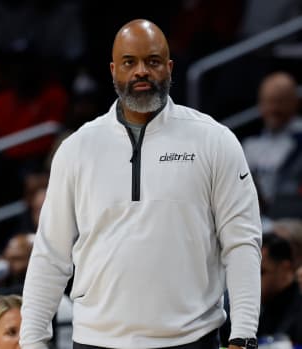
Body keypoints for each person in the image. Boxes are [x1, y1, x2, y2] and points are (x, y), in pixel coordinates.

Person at [20, 19, 262, 349]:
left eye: (152, 61)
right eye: (129, 62)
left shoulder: (214, 140)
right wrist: (32, 341)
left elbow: (242, 242)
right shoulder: (77, 149)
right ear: (113, 69)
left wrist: (244, 334)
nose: (141, 72)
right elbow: (50, 254)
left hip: (192, 339)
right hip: (96, 340)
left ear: (170, 67)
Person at [242, 72, 302, 216]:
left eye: (281, 101)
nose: (274, 108)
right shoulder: (250, 145)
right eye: (269, 101)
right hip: (258, 218)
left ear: (296, 102)